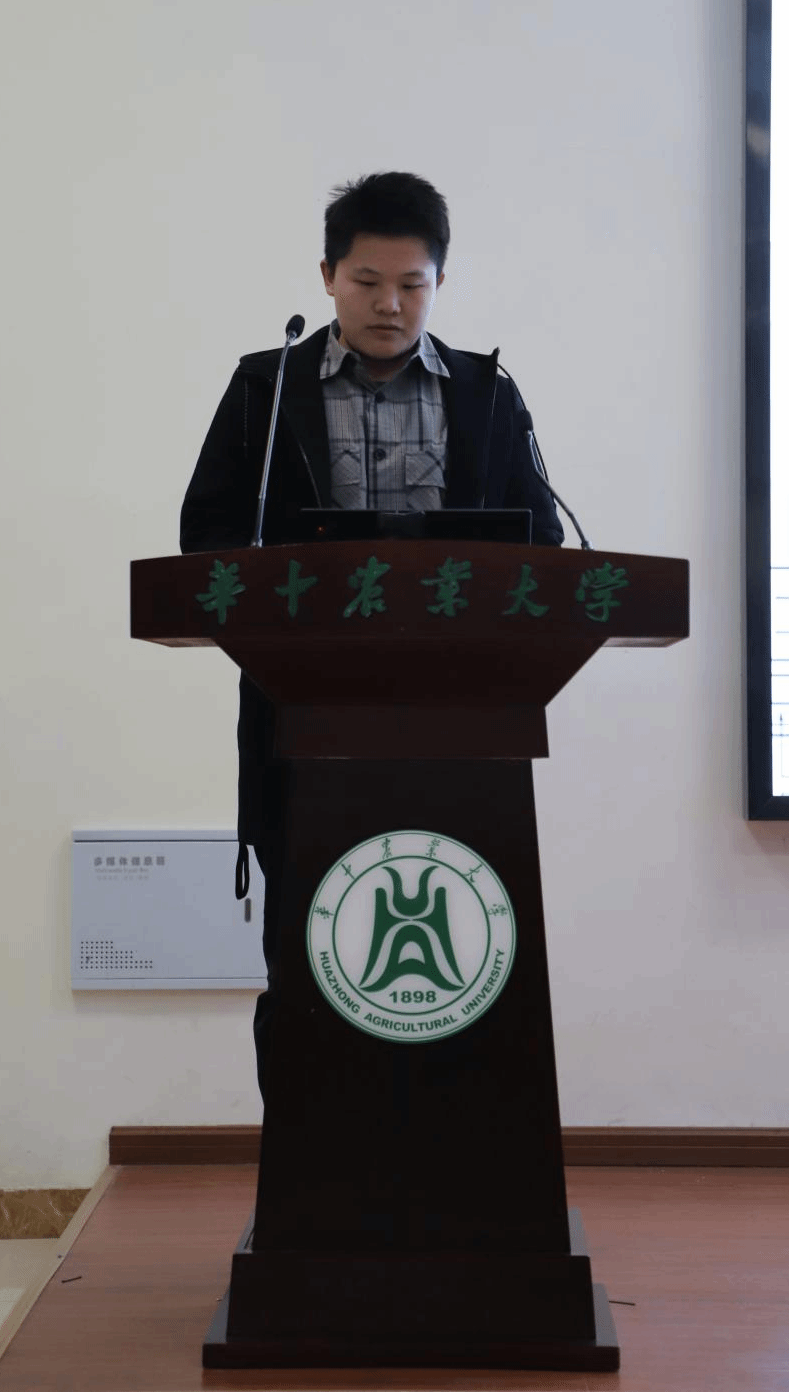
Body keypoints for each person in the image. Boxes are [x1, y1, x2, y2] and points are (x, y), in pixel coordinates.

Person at [180, 171, 563, 1094]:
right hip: (300, 729)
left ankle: (463, 1161)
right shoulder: (266, 387)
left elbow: (542, 548)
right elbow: (208, 541)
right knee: (308, 961)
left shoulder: (487, 393)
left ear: (440, 282)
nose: (390, 304)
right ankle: (309, 1167)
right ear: (327, 277)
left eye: (412, 284)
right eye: (366, 282)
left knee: (472, 961)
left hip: (463, 732)